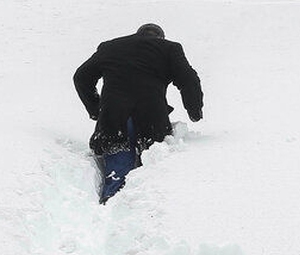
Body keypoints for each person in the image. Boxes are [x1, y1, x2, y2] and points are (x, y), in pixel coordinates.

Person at [73, 22, 203, 202]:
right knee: (150, 168)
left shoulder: (110, 47)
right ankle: (137, 211)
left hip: (114, 117)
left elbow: (81, 77)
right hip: (151, 117)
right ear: (160, 38)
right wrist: (194, 110)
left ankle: (111, 198)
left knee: (118, 160)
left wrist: (96, 109)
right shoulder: (169, 49)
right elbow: (189, 80)